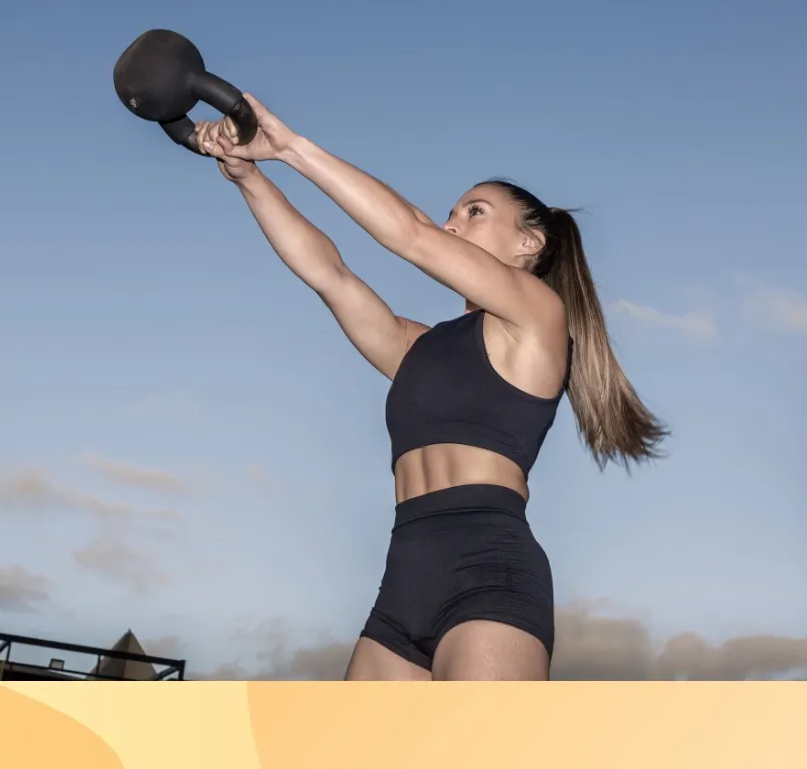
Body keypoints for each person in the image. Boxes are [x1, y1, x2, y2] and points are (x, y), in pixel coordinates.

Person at [193, 95, 667, 681]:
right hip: (402, 579)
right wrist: (249, 178)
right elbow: (330, 274)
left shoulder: (538, 318)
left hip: (490, 575)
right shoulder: (416, 348)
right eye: (453, 213)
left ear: (529, 243)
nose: (451, 224)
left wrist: (290, 146)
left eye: (474, 212)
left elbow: (412, 234)